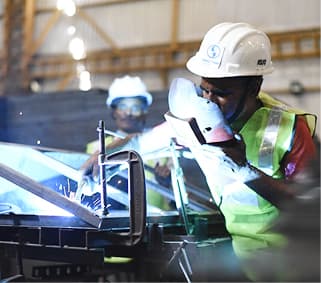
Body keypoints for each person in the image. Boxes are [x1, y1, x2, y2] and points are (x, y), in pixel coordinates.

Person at [81, 22, 317, 280]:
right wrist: (106, 154)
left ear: (253, 88)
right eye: (205, 89)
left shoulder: (289, 129)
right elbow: (143, 141)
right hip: (245, 260)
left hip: (294, 266)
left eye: (221, 93)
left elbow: (309, 208)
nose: (209, 101)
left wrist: (244, 170)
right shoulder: (198, 117)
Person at [85, 75, 172, 211]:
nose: (129, 113)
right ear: (114, 112)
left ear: (145, 111)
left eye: (135, 107)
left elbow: (181, 200)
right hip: (108, 225)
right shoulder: (96, 148)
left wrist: (167, 184)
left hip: (155, 223)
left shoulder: (163, 146)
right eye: (123, 107)